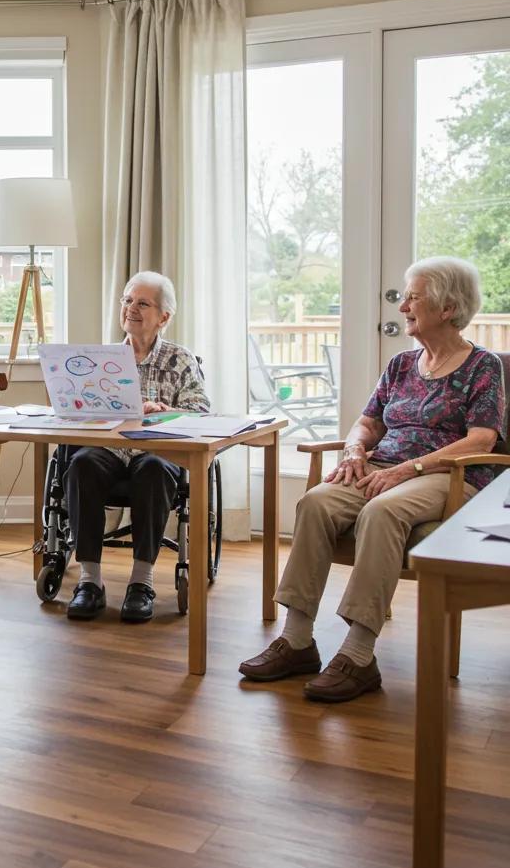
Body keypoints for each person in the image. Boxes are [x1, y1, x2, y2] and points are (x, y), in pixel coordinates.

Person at [240, 256, 505, 702]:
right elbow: (367, 422)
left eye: (413, 297)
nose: (403, 306)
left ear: (446, 307)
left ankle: (360, 655)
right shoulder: (402, 364)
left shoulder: (483, 366)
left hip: (448, 474)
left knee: (382, 512)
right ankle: (298, 640)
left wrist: (410, 469)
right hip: (384, 466)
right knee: (316, 503)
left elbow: (481, 440)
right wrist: (354, 449)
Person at [64, 271, 210, 623]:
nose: (131, 308)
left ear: (164, 317)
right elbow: (78, 413)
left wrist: (163, 413)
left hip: (159, 452)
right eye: (127, 300)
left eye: (142, 303)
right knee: (81, 463)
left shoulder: (180, 360)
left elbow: (202, 414)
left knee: (154, 470)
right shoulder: (100, 360)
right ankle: (89, 582)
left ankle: (141, 582)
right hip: (110, 449)